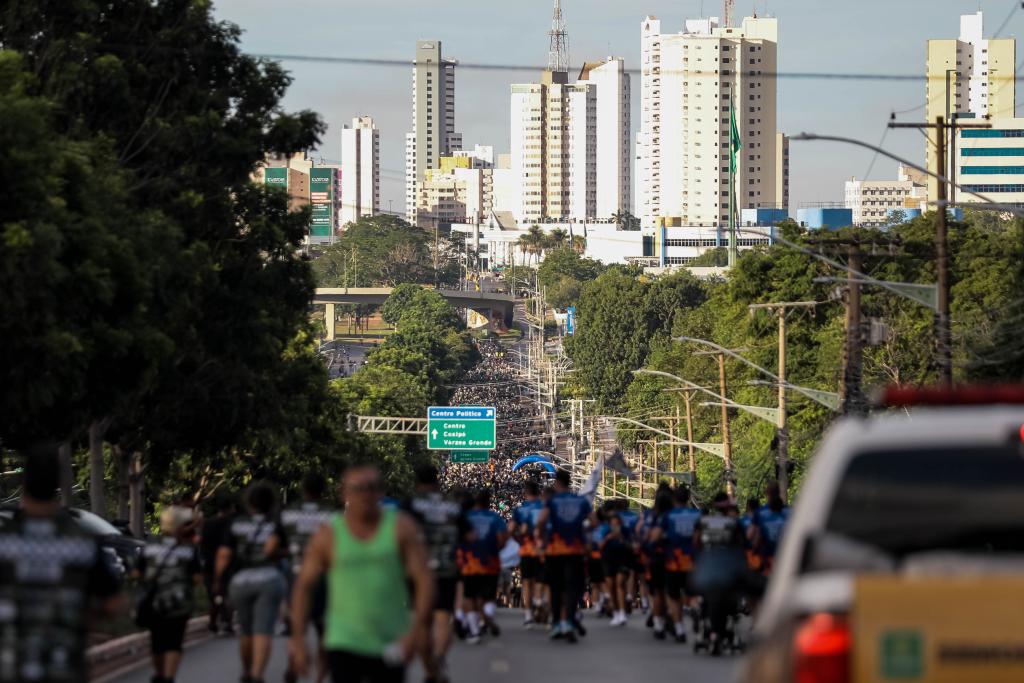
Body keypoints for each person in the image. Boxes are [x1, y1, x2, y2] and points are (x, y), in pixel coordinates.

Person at [290, 462, 434, 683]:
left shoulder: (401, 529)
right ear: (344, 493)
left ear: (381, 492)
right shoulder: (328, 535)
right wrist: (298, 639)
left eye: (372, 487)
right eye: (358, 488)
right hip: (344, 641)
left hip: (391, 641)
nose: (366, 494)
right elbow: (304, 586)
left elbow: (424, 580)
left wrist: (415, 631)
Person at [0, 445, 123, 683]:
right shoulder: (83, 544)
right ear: (58, 486)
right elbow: (113, 604)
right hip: (65, 667)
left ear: (23, 485)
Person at [215, 482, 288, 683]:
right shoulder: (275, 524)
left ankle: (246, 671)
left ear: (248, 502)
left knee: (246, 629)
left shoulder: (236, 523)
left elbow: (224, 554)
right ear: (271, 502)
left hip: (241, 581)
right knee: (263, 629)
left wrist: (218, 580)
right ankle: (257, 674)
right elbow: (276, 550)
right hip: (268, 579)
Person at [403, 464, 466, 683]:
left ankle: (430, 665)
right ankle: (438, 657)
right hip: (447, 570)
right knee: (442, 618)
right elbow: (469, 535)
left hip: (418, 572)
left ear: (417, 481)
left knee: (420, 621)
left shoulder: (411, 505)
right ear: (437, 479)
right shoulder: (452, 506)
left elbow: (400, 535)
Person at [136, 505, 203, 683]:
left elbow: (137, 573)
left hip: (154, 601)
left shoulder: (150, 545)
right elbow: (196, 578)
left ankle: (159, 674)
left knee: (157, 641)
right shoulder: (188, 550)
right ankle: (169, 677)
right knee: (174, 641)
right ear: (181, 526)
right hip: (179, 602)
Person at [281, 473, 334, 683]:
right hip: (324, 578)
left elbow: (273, 546)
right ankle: (319, 678)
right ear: (324, 491)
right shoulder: (333, 516)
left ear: (303, 489)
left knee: (296, 627)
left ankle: (295, 661)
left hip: (297, 575)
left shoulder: (288, 513)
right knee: (325, 632)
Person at [535, 469, 593, 642]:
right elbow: (594, 521)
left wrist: (543, 537)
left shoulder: (552, 501)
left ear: (557, 482)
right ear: (569, 482)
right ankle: (568, 620)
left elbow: (540, 522)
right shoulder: (580, 501)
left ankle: (557, 624)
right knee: (572, 588)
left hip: (555, 551)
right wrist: (581, 530)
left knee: (556, 588)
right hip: (575, 550)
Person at [692, 492, 748, 655]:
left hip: (708, 570)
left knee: (705, 600)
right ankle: (726, 629)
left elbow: (695, 543)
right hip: (729, 571)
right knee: (732, 604)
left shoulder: (703, 522)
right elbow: (742, 546)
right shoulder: (734, 524)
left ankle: (705, 623)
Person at [460, 489, 508, 644]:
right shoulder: (495, 518)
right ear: (488, 502)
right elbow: (502, 539)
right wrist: (495, 550)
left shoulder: (466, 518)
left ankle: (474, 631)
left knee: (470, 596)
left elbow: (459, 538)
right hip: (490, 563)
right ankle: (486, 618)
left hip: (469, 564)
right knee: (488, 597)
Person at [661, 485, 702, 643]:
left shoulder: (668, 516)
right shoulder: (697, 514)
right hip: (692, 560)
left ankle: (679, 628)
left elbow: (660, 536)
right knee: (692, 593)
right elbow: (699, 537)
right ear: (687, 499)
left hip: (673, 561)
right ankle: (696, 608)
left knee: (674, 595)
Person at [510, 480, 545, 628]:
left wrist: (518, 539)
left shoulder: (520, 510)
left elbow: (510, 530)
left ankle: (529, 615)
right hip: (542, 550)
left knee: (526, 582)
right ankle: (538, 600)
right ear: (539, 493)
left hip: (526, 550)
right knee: (539, 580)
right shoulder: (545, 508)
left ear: (525, 493)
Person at [200, 493, 236, 635]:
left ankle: (213, 622)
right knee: (228, 594)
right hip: (229, 564)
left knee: (214, 595)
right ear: (229, 508)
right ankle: (227, 622)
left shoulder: (208, 523)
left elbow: (202, 543)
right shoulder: (232, 524)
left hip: (209, 564)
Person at [642, 484, 674, 640]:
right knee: (672, 592)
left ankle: (658, 621)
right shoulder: (674, 515)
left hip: (655, 557)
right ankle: (671, 619)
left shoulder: (650, 515)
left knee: (657, 592)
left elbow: (644, 533)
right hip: (675, 558)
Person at [751, 481, 790, 575]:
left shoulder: (760, 512)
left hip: (768, 558)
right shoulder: (789, 511)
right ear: (779, 492)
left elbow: (754, 535)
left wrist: (754, 550)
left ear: (766, 493)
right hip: (786, 557)